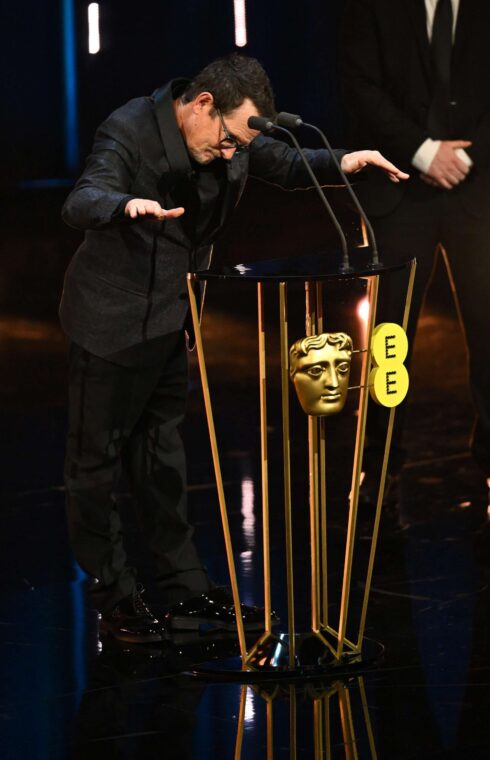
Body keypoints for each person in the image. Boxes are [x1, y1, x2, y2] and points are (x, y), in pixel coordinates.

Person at [60, 53, 408, 643]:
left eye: (237, 147)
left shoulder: (234, 136)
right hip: (109, 322)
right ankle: (115, 598)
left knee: (162, 460)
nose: (231, 154)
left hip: (171, 318)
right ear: (202, 105)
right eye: (226, 140)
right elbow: (82, 197)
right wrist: (123, 206)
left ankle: (183, 589)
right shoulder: (129, 129)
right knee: (95, 465)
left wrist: (344, 160)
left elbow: (284, 163)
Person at [341, 0, 490, 505]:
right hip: (398, 187)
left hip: (479, 185)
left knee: (489, 331)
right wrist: (425, 152)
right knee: (389, 338)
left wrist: (465, 157)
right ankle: (379, 468)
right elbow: (358, 83)